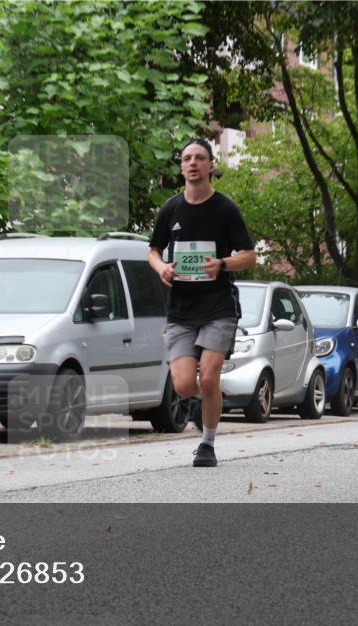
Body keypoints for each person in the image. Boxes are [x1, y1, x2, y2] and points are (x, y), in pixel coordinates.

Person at [147, 138, 257, 467]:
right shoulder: (170, 209)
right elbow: (153, 250)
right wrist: (162, 267)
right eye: (187, 158)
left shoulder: (225, 209)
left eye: (199, 158)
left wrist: (222, 264)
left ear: (211, 165)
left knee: (209, 378)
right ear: (181, 167)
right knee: (183, 385)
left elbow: (249, 255)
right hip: (180, 309)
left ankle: (207, 444)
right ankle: (199, 402)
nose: (193, 163)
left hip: (217, 305)